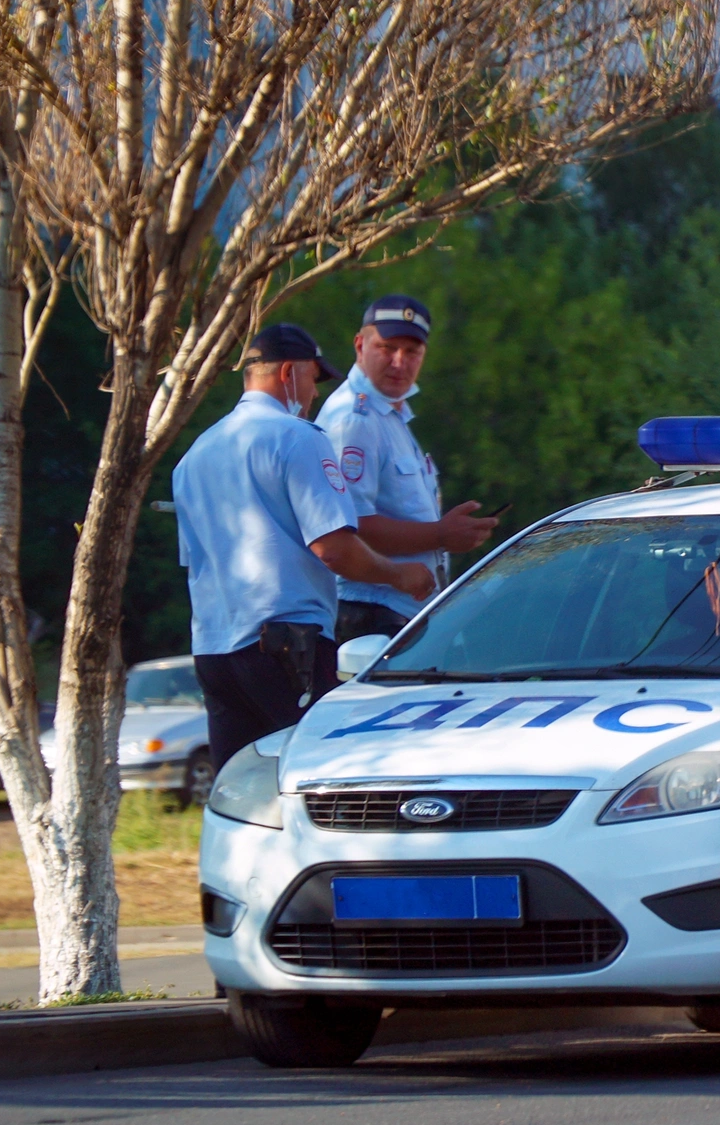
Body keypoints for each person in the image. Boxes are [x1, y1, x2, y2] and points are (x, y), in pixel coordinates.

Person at [173, 323, 435, 769]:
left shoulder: (196, 454)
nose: (313, 394)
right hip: (286, 642)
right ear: (290, 373)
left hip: (214, 649)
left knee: (243, 787)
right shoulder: (298, 438)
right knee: (322, 775)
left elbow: (194, 561)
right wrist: (400, 574)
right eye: (313, 379)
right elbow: (333, 548)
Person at [316, 294, 500, 642]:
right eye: (387, 348)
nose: (399, 362)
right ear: (360, 345)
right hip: (369, 611)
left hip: (400, 611)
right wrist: (441, 535)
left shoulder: (389, 414)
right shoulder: (355, 419)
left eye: (412, 352)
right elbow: (348, 526)